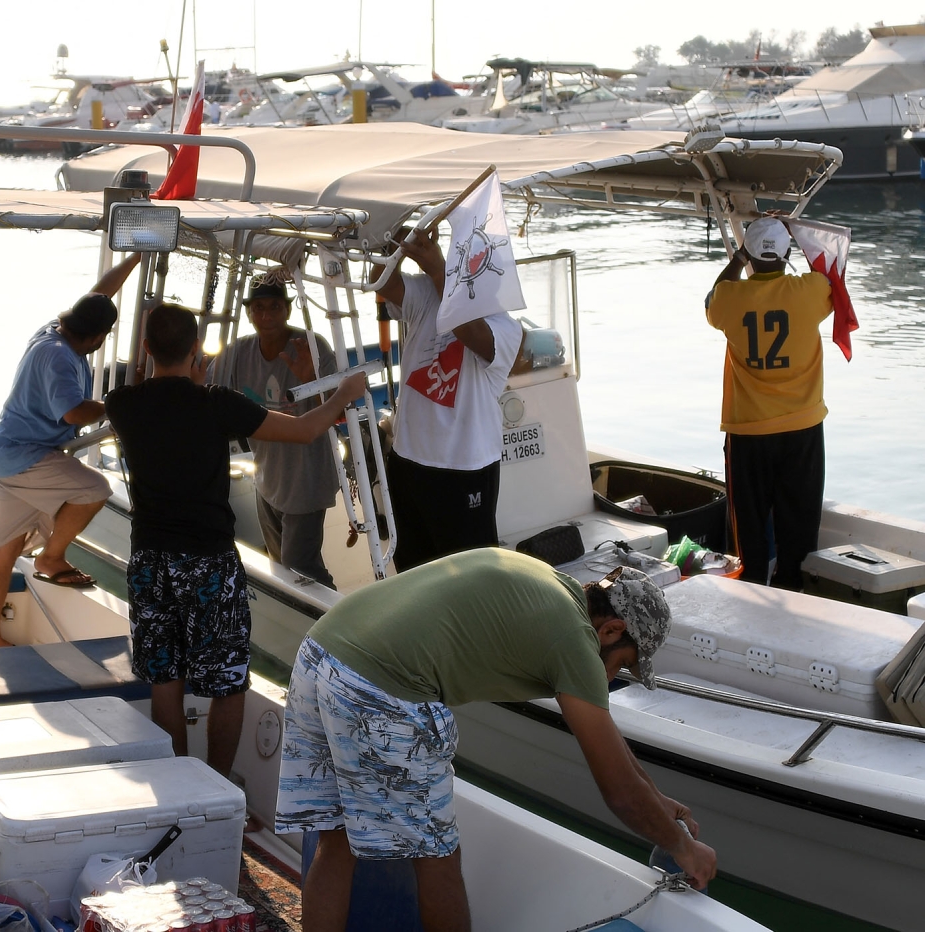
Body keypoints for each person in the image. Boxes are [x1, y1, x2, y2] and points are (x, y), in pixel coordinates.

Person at [276, 549, 717, 931]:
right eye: (622, 665)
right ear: (613, 630)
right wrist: (684, 848)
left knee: (335, 841)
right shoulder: (576, 643)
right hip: (381, 688)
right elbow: (618, 790)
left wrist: (658, 800)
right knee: (437, 856)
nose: (613, 676)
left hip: (322, 652)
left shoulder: (552, 586)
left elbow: (613, 747)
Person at [105, 303, 365, 777]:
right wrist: (345, 392)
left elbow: (154, 392)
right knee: (226, 684)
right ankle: (219, 785)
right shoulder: (216, 405)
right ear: (197, 350)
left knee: (166, 678)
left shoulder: (121, 405)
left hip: (150, 562)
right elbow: (306, 430)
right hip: (207, 562)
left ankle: (181, 783)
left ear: (145, 349)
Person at [0, 253, 142, 648]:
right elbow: (72, 412)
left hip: (6, 453)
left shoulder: (54, 329)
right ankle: (51, 557)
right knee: (94, 489)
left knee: (5, 550)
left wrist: (136, 257)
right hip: (27, 457)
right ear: (98, 337)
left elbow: (100, 291)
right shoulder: (58, 357)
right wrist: (117, 406)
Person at [374, 227, 524, 571]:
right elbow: (382, 283)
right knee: (413, 571)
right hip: (408, 460)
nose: (470, 273)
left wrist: (440, 270)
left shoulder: (507, 328)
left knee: (470, 579)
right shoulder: (429, 293)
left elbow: (468, 332)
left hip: (464, 470)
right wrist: (395, 244)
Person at [705, 216, 833, 590]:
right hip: (802, 425)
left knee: (749, 521)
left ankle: (754, 584)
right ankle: (793, 585)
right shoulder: (809, 291)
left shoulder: (731, 298)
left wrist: (738, 258)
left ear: (750, 258)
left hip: (749, 430)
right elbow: (826, 274)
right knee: (800, 517)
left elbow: (714, 297)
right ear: (786, 253)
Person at [228, 270, 339, 588]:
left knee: (301, 567)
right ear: (249, 312)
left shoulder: (312, 346)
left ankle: (333, 623)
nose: (266, 315)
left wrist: (310, 378)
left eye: (274, 307)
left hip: (306, 479)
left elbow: (338, 407)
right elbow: (213, 391)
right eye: (258, 308)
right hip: (267, 479)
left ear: (287, 309)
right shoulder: (239, 352)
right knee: (282, 570)